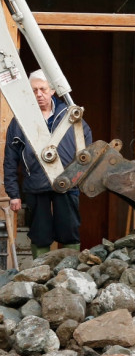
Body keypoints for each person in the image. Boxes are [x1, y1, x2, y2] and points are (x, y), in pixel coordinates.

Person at [3, 70, 93, 258]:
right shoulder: (20, 121)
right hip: (36, 184)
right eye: (34, 90)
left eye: (43, 89)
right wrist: (13, 194)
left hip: (67, 183)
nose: (39, 94)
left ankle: (70, 274)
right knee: (40, 235)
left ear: (52, 89)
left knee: (69, 231)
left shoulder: (70, 115)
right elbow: (10, 159)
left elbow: (86, 148)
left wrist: (81, 178)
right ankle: (40, 275)